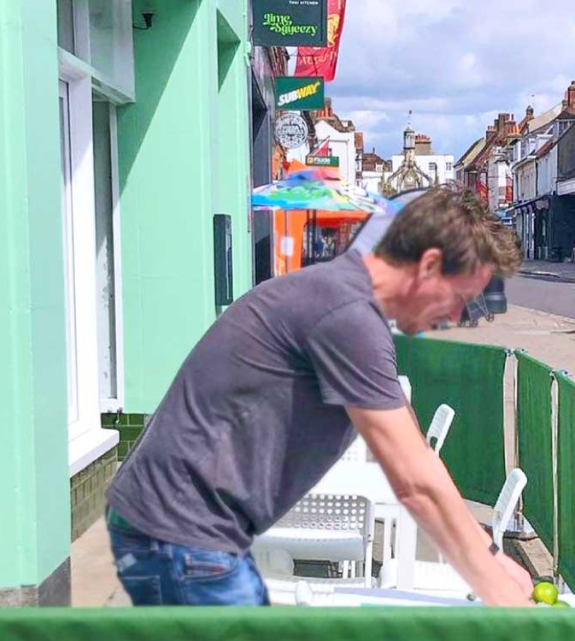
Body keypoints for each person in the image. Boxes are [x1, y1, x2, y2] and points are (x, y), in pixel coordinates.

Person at [105, 186, 534, 607]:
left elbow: (417, 453)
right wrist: (506, 604)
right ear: (429, 264)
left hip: (185, 529)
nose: (459, 316)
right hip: (179, 533)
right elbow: (415, 484)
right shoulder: (347, 315)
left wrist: (493, 557)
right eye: (461, 297)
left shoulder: (349, 303)